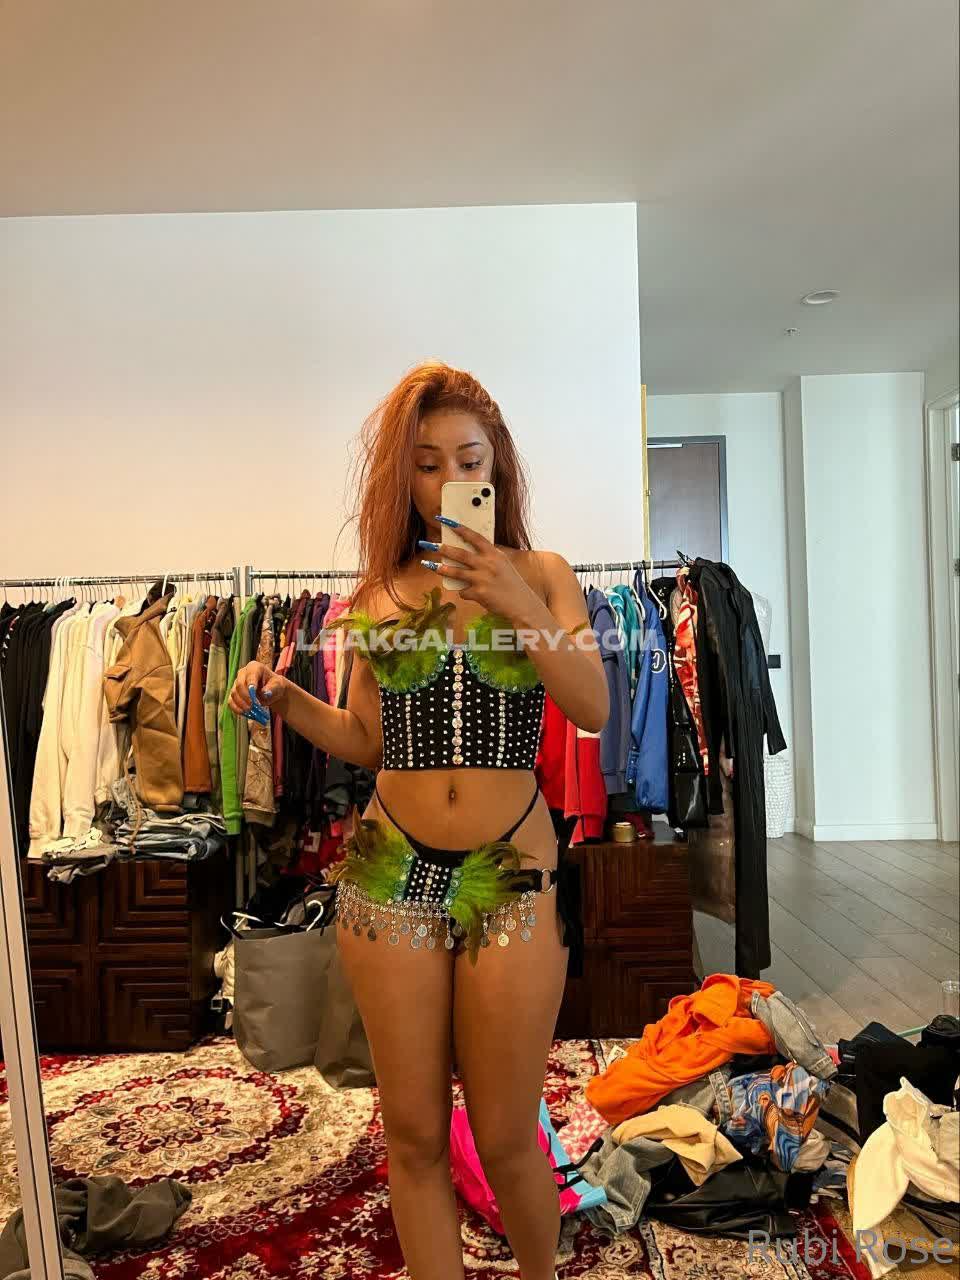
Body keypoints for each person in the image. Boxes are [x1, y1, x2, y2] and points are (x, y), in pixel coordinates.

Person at [229, 361, 609, 1280]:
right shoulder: (378, 596)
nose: (447, 482)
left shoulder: (544, 575)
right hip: (390, 868)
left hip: (512, 870)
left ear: (497, 466)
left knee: (507, 1134)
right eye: (427, 464)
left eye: (467, 460)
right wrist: (285, 698)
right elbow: (366, 739)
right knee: (412, 1134)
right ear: (404, 478)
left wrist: (513, 599)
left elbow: (592, 705)